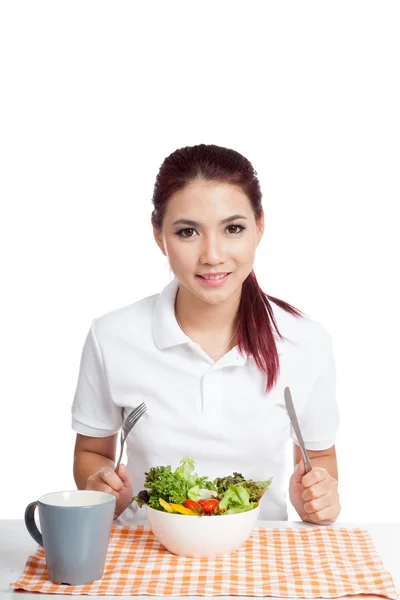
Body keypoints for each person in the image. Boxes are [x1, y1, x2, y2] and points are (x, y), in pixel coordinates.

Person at [72, 143, 340, 525]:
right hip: (146, 550)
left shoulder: (305, 342)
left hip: (258, 552)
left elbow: (321, 460)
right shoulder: (112, 336)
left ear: (259, 226)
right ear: (158, 235)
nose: (213, 255)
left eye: (233, 228)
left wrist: (315, 497)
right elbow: (92, 452)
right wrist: (101, 489)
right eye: (187, 232)